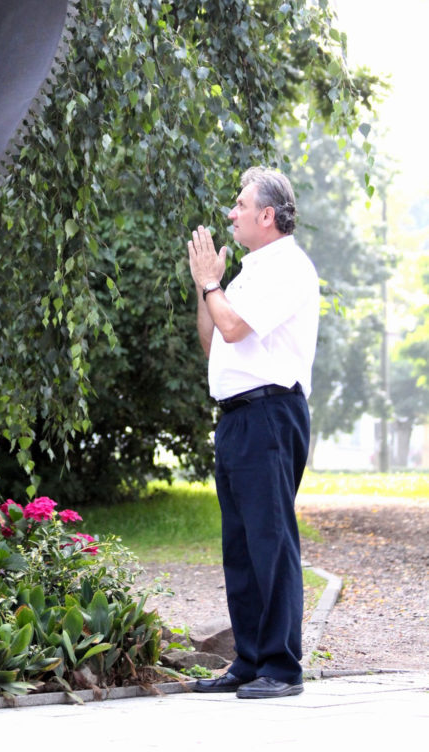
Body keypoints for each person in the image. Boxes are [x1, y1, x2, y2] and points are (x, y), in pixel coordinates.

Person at [187, 166, 319, 699]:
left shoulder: (287, 267)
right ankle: (249, 660)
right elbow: (213, 340)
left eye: (240, 205)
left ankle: (282, 668)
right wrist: (205, 287)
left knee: (271, 540)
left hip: (270, 413)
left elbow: (236, 327)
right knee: (240, 545)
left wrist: (213, 284)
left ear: (268, 214)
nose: (231, 213)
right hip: (238, 417)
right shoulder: (247, 272)